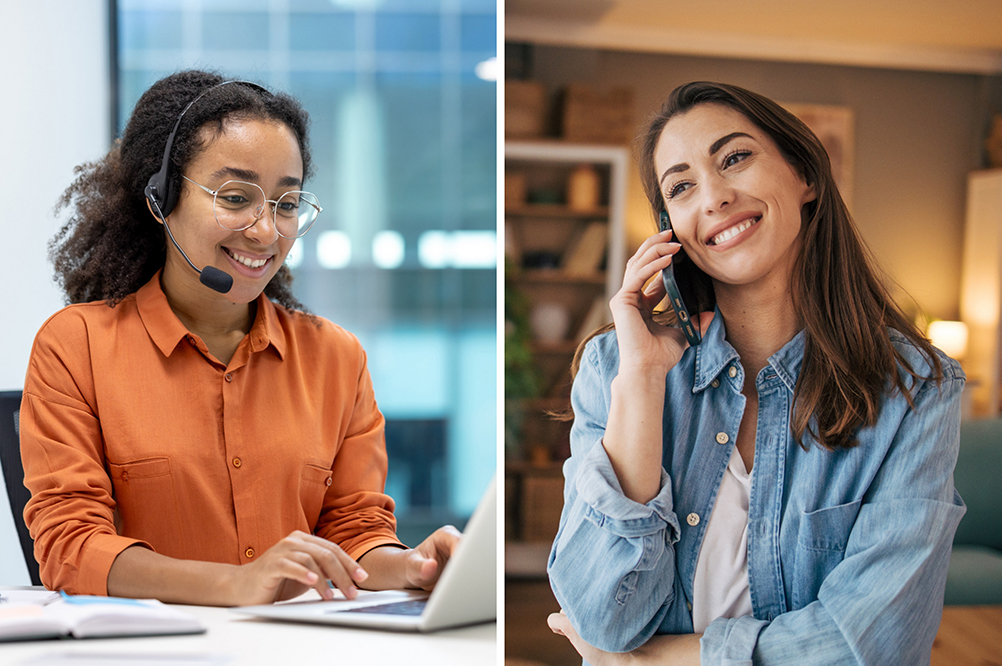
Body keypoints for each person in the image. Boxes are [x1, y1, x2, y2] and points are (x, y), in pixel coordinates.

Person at [545, 81, 966, 665]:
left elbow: (874, 644)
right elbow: (602, 615)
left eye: (735, 158)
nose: (713, 197)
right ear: (671, 227)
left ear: (805, 176)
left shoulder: (913, 387)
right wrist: (641, 382)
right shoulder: (618, 368)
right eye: (682, 187)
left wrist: (651, 662)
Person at [20, 69, 459, 606]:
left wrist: (417, 566)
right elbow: (71, 547)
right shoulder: (76, 346)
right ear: (161, 198)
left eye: (287, 203)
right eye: (235, 197)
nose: (266, 231)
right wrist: (239, 584)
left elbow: (354, 533)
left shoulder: (336, 358)